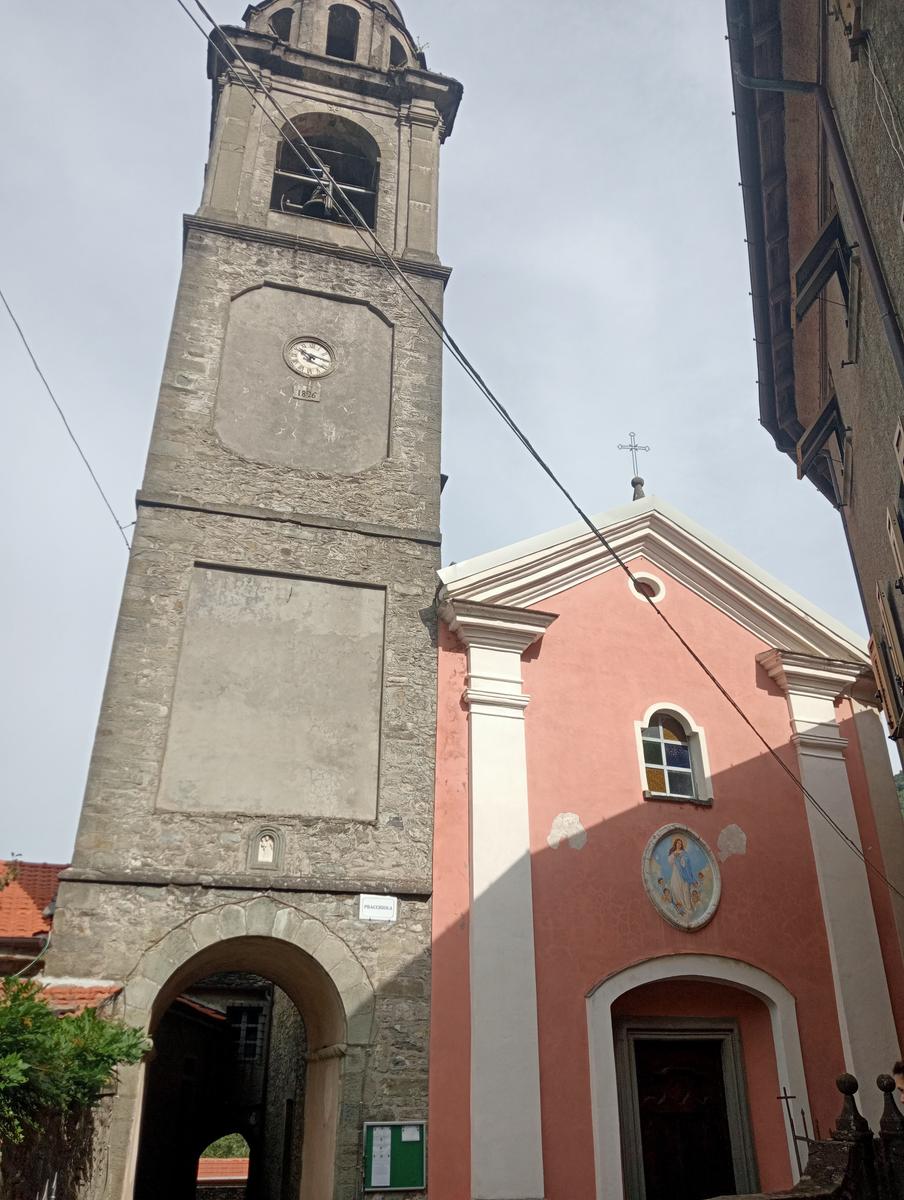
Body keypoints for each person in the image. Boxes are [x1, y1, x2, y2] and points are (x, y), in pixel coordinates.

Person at [668, 837, 697, 914]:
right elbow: (670, 862)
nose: (679, 845)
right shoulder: (673, 853)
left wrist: (681, 858)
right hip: (676, 872)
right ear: (675, 844)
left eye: (680, 844)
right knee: (674, 887)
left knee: (685, 890)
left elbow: (687, 864)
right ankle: (680, 907)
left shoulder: (684, 853)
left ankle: (688, 908)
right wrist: (674, 855)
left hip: (684, 873)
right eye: (678, 843)